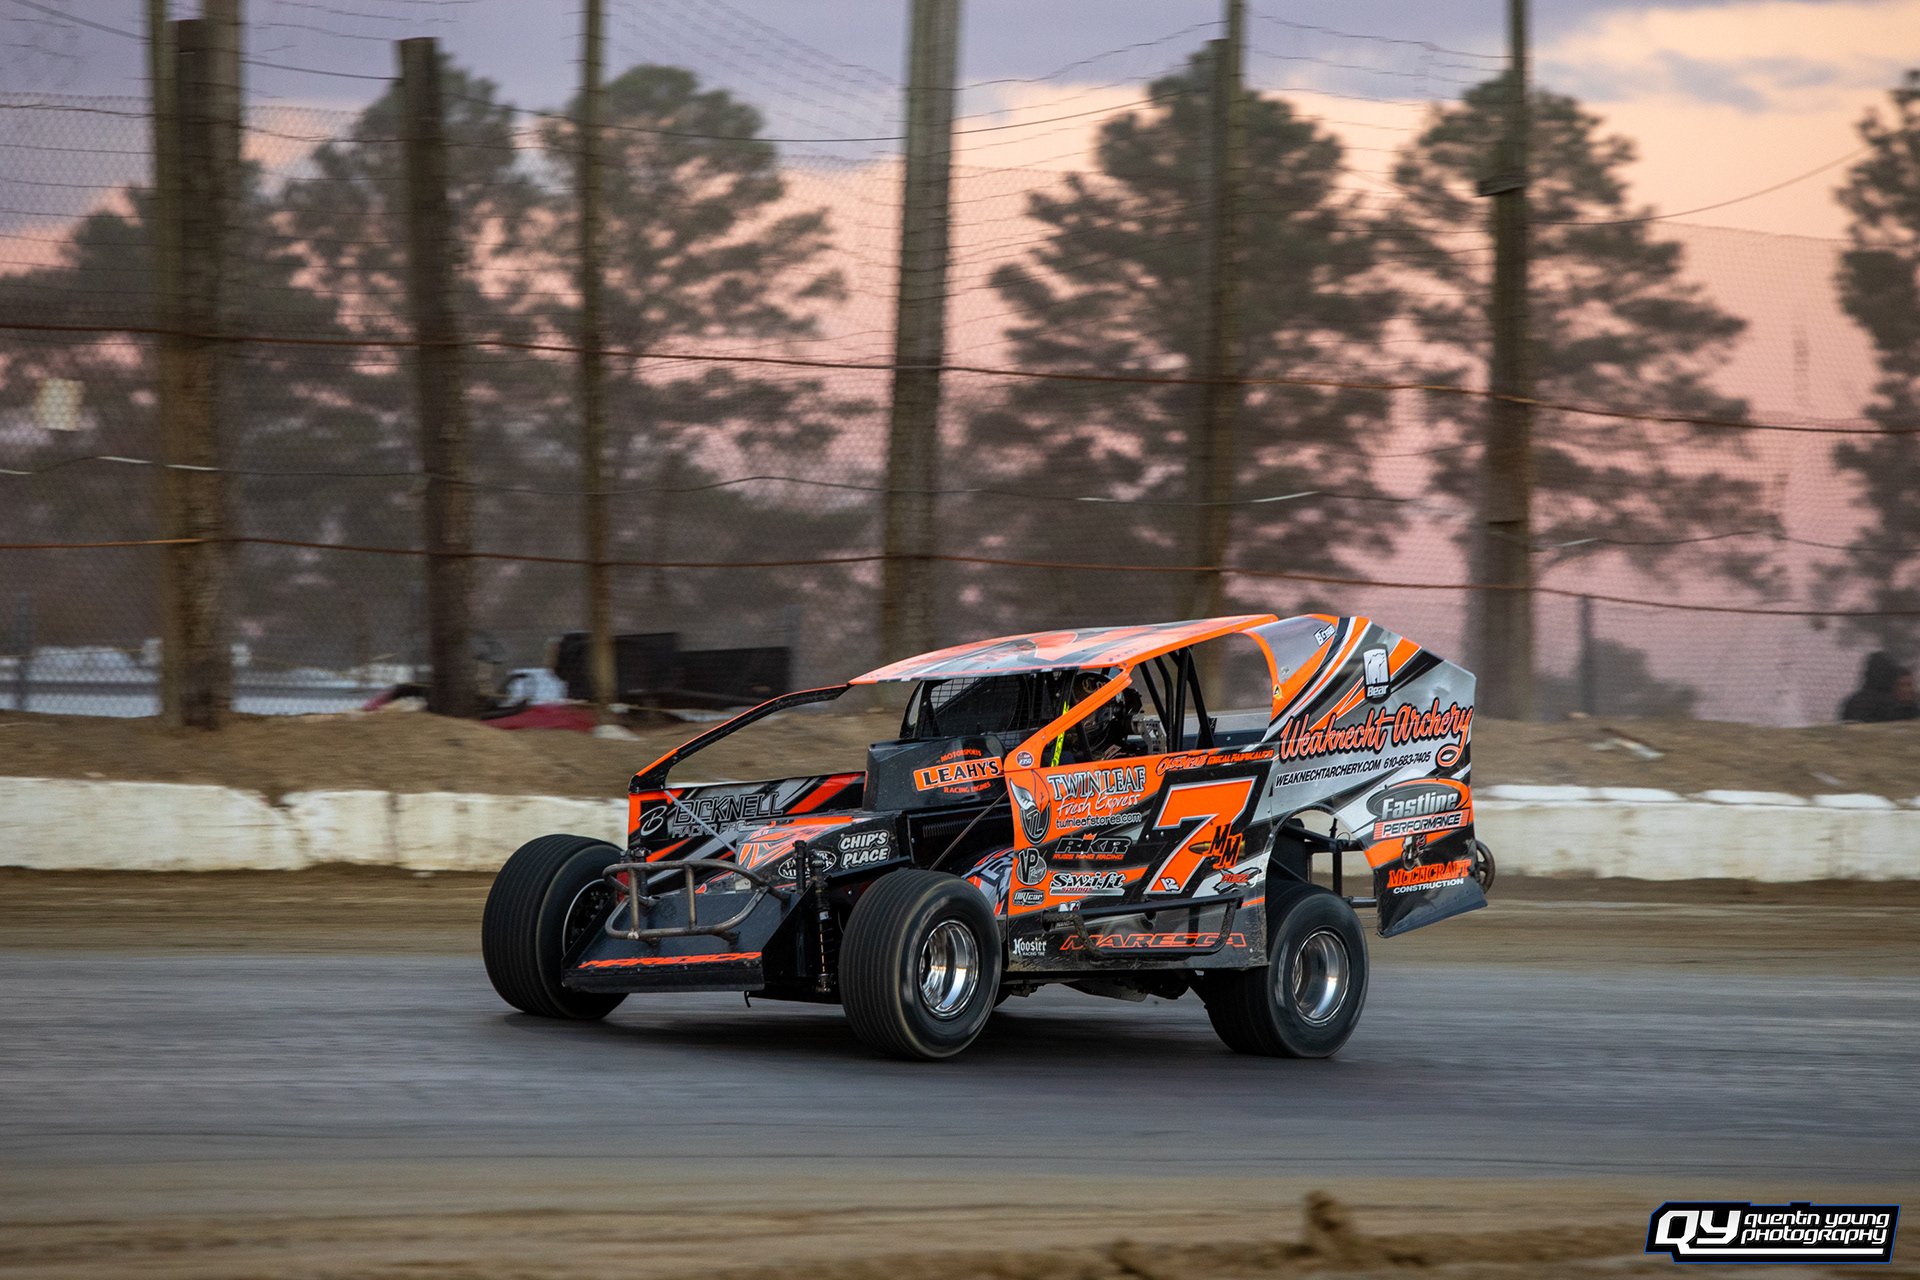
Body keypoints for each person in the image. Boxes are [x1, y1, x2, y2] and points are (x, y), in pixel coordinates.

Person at [1046, 670, 1143, 764]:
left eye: (1084, 715)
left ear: (1105, 715)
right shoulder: (1056, 753)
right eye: (1069, 712)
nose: (1074, 722)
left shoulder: (1122, 760)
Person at [1839, 652, 1919, 723]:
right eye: (1902, 685)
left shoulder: (1852, 702)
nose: (1906, 689)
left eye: (1909, 685)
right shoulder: (1888, 705)